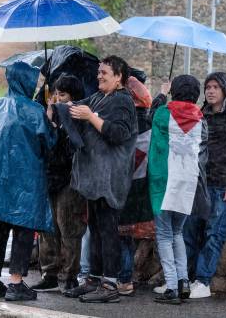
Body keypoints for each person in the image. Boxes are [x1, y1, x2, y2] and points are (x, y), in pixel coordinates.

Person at [0, 61, 56, 301]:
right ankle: (16, 283)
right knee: (23, 229)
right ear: (24, 81)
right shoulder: (34, 111)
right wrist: (51, 120)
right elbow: (49, 144)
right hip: (25, 181)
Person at [65, 55, 138, 303]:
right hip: (94, 179)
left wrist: (91, 117)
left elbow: (118, 134)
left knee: (108, 232)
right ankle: (94, 280)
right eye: (99, 72)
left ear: (119, 77)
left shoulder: (123, 102)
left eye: (105, 73)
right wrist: (59, 106)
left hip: (110, 179)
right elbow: (77, 107)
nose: (99, 76)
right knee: (95, 230)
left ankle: (110, 285)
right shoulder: (98, 97)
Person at [183, 72, 226, 298]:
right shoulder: (200, 114)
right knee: (189, 233)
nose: (210, 91)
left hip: (222, 185)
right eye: (208, 87)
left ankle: (202, 282)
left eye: (215, 87)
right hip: (198, 184)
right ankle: (186, 279)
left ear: (225, 90)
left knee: (214, 234)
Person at [148, 75, 211, 305]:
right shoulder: (201, 119)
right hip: (188, 182)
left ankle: (172, 286)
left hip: (164, 182)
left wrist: (162, 94)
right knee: (177, 233)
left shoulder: (163, 114)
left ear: (175, 91)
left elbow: (149, 117)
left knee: (164, 234)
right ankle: (184, 282)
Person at [31, 74, 87, 295]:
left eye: (62, 94)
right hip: (50, 178)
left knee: (69, 228)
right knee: (48, 227)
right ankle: (49, 273)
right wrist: (49, 123)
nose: (56, 98)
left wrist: (59, 125)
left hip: (70, 180)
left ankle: (71, 275)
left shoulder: (78, 119)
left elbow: (74, 148)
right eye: (55, 93)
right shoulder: (49, 115)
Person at [116, 76, 154, 296]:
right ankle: (126, 278)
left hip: (123, 186)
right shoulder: (149, 123)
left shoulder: (125, 122)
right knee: (128, 238)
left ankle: (121, 278)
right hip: (142, 187)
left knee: (120, 237)